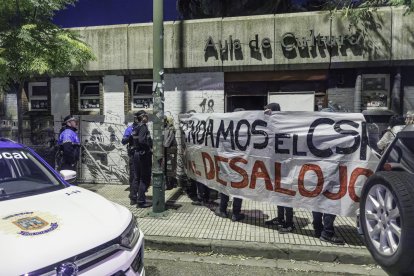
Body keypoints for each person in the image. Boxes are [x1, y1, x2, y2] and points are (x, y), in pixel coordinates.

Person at [263, 103, 295, 233]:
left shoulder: (285, 125)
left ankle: (289, 223)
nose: (266, 113)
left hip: (285, 167)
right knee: (277, 194)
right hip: (274, 166)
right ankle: (281, 218)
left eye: (268, 111)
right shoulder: (270, 125)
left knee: (286, 194)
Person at [215, 107, 246, 222]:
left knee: (225, 187)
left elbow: (219, 145)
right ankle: (235, 214)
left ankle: (222, 210)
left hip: (226, 164)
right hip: (240, 165)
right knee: (238, 189)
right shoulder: (246, 130)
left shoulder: (225, 129)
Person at [130, 110, 153, 208]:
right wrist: (149, 148)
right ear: (143, 117)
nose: (147, 118)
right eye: (146, 116)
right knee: (144, 178)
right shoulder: (143, 127)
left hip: (136, 154)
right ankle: (141, 201)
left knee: (137, 177)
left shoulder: (135, 127)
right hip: (142, 155)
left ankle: (133, 198)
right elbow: (142, 140)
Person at [122, 119, 137, 195]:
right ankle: (133, 193)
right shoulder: (130, 129)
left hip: (142, 155)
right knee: (133, 173)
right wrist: (130, 137)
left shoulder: (143, 128)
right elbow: (123, 141)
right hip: (133, 154)